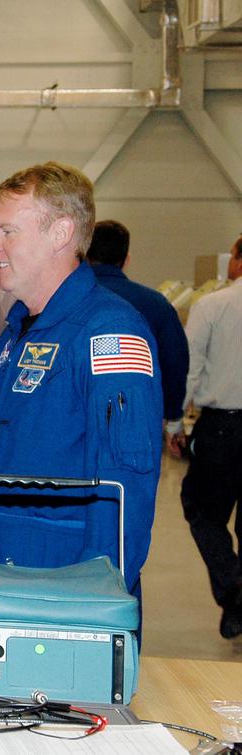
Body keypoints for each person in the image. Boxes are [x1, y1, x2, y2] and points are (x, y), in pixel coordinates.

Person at [0, 162, 162, 602]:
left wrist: (98, 600)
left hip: (65, 589)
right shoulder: (19, 329)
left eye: (7, 231)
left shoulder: (109, 333)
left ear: (60, 233)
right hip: (4, 573)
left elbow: (125, 484)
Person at [171, 235, 242, 639]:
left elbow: (190, 365)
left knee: (202, 509)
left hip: (223, 426)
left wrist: (174, 424)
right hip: (224, 424)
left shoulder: (214, 305)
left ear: (236, 260)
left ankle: (232, 587)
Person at [86, 220, 190, 442]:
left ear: (85, 254)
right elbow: (175, 361)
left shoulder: (62, 300)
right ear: (126, 260)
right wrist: (171, 414)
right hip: (137, 423)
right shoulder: (156, 304)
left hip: (75, 421)